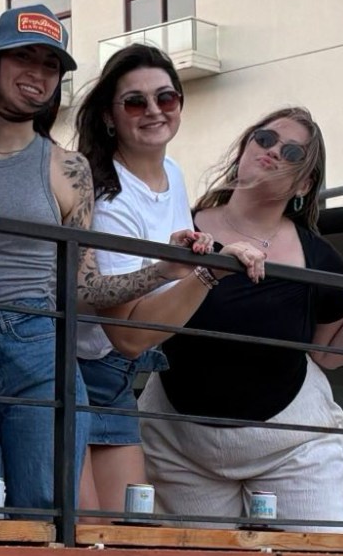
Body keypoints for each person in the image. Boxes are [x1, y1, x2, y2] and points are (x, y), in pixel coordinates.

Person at [0, 6, 181, 515]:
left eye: (51, 65)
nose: (38, 73)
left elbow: (84, 288)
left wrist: (166, 269)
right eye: (24, 57)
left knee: (48, 514)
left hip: (38, 343)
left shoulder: (69, 167)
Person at [137, 109, 343, 532]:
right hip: (180, 443)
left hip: (292, 442)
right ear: (245, 146)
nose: (271, 153)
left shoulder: (320, 259)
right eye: (264, 139)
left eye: (291, 152)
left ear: (304, 184)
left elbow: (328, 351)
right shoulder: (180, 226)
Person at [71, 43, 227, 515]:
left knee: (123, 530)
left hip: (114, 374)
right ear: (108, 116)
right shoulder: (108, 198)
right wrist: (207, 272)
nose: (154, 111)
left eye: (167, 98)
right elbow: (128, 335)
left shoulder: (173, 174)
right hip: (76, 368)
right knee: (87, 529)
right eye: (135, 102)